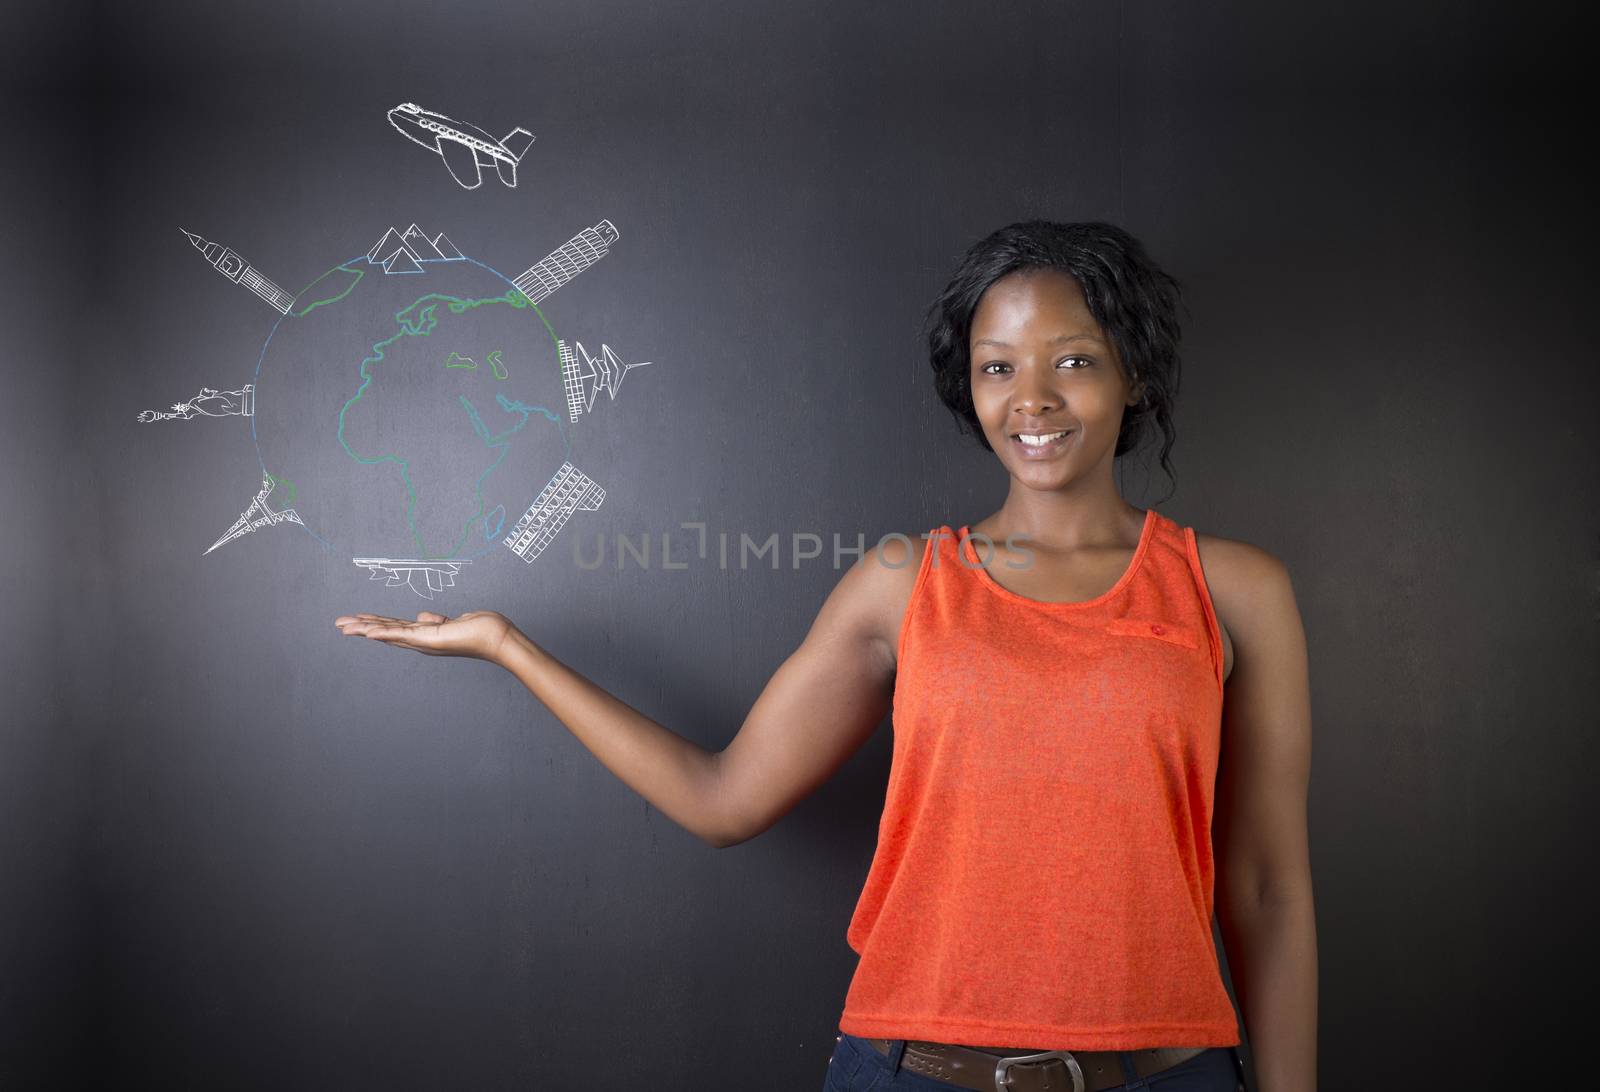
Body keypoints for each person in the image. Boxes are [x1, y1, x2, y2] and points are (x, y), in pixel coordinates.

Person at [335, 220, 1317, 1092]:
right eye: (996, 365)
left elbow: (1267, 888)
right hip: (913, 1073)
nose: (1031, 399)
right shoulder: (901, 583)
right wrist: (509, 647)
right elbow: (723, 800)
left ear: (1131, 372)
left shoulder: (1231, 589)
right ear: (966, 384)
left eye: (1071, 361)